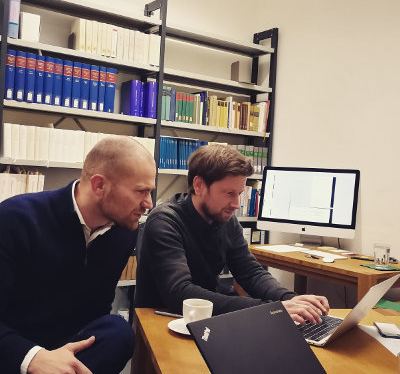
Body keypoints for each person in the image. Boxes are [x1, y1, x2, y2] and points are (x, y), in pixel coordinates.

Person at [0, 135, 156, 374]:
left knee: (119, 332)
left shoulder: (123, 233)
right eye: (141, 191)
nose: (149, 204)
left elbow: (96, 311)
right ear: (99, 185)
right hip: (16, 348)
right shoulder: (15, 219)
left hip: (69, 347)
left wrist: (62, 357)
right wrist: (32, 358)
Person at [135, 144, 329, 325]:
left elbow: (250, 272)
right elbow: (179, 293)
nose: (236, 204)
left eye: (239, 194)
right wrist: (269, 309)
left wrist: (290, 299)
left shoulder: (225, 219)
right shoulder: (164, 221)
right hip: (163, 320)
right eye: (229, 193)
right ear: (199, 185)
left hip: (204, 319)